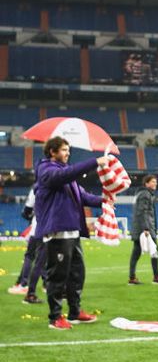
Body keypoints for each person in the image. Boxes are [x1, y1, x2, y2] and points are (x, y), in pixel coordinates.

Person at [34, 137, 109, 330]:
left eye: (68, 150)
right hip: (57, 232)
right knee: (58, 276)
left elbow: (83, 196)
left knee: (77, 274)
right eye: (64, 150)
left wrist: (105, 201)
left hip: (72, 232)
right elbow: (63, 176)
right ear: (52, 151)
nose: (68, 153)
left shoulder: (67, 176)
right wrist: (94, 162)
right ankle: (55, 317)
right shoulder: (46, 170)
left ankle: (75, 312)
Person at [128, 175, 158, 284]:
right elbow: (143, 211)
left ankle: (132, 277)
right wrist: (146, 228)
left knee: (136, 253)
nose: (155, 183)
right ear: (146, 183)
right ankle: (156, 277)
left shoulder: (141, 194)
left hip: (140, 228)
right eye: (153, 182)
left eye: (156, 182)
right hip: (145, 229)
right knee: (155, 251)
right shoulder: (145, 194)